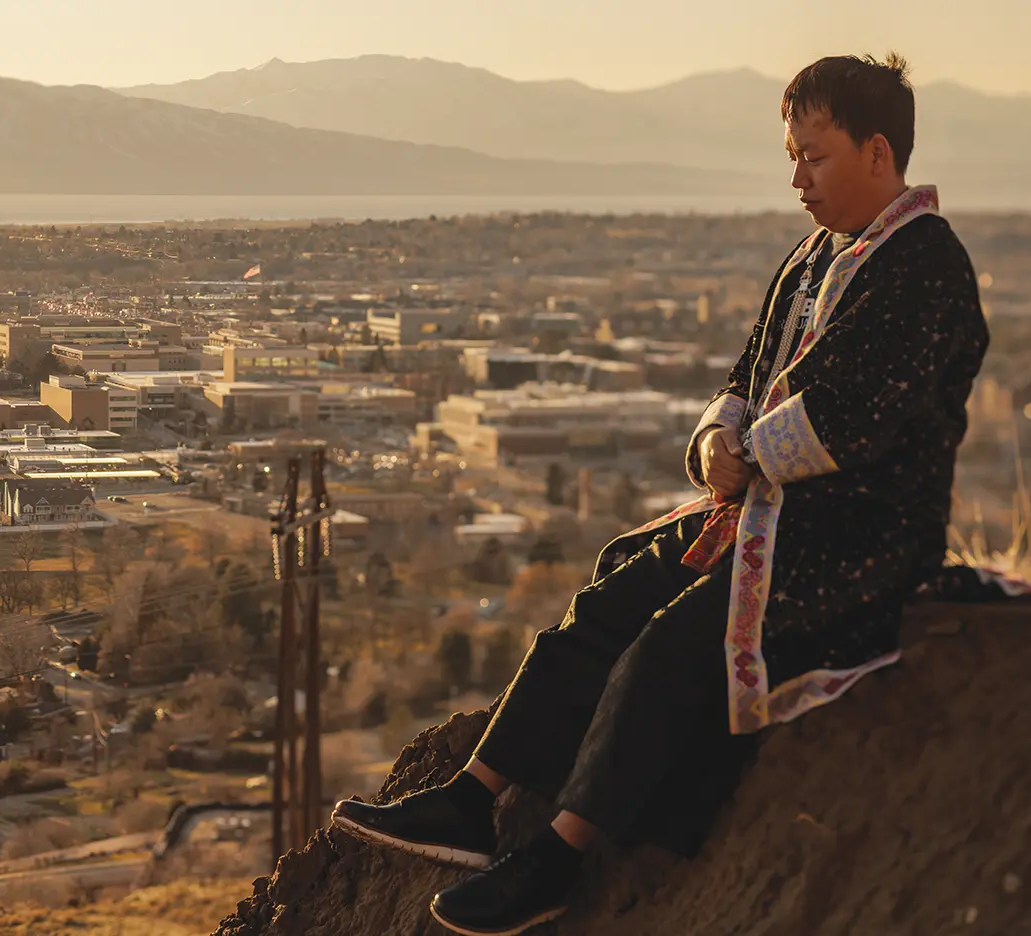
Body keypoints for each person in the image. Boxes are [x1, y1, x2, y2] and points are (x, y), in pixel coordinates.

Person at [332, 53, 994, 936]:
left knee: (678, 640)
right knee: (612, 600)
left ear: (880, 153)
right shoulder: (814, 258)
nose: (797, 177)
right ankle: (471, 798)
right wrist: (719, 440)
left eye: (816, 156)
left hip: (859, 535)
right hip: (765, 510)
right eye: (791, 154)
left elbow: (854, 420)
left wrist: (745, 455)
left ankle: (557, 859)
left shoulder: (925, 267)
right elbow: (746, 373)